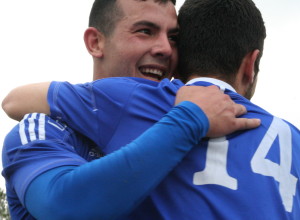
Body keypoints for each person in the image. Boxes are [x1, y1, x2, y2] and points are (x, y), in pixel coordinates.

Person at [1, 0, 260, 219]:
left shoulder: (206, 120)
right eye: (145, 31)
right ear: (95, 42)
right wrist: (187, 121)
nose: (165, 49)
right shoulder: (44, 128)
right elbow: (60, 205)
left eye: (173, 38)